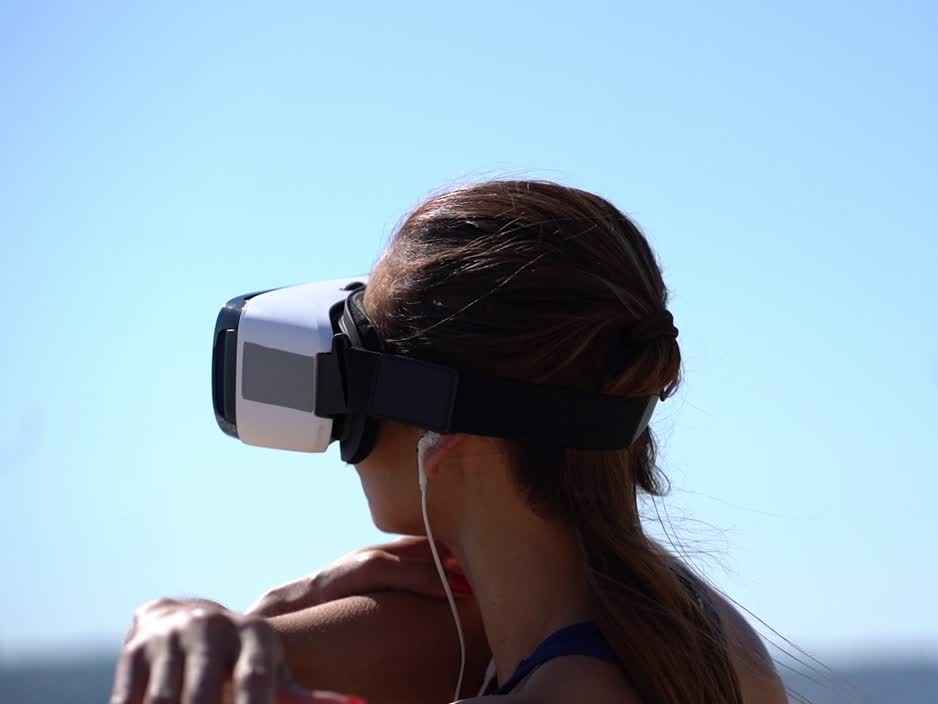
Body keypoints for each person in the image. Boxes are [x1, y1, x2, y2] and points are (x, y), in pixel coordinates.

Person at [109, 180, 788, 704]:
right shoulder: (687, 632)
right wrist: (255, 622)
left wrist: (220, 624)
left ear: (443, 430)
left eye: (348, 378)